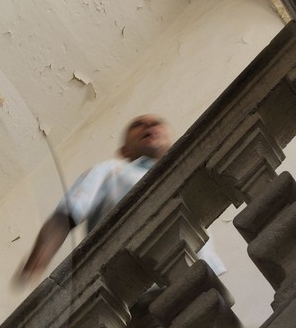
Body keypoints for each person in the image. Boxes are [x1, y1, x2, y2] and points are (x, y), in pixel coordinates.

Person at [17, 113, 223, 281]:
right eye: (138, 125)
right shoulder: (111, 171)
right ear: (125, 150)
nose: (149, 126)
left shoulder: (185, 175)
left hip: (202, 280)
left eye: (156, 123)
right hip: (141, 292)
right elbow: (69, 212)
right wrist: (43, 251)